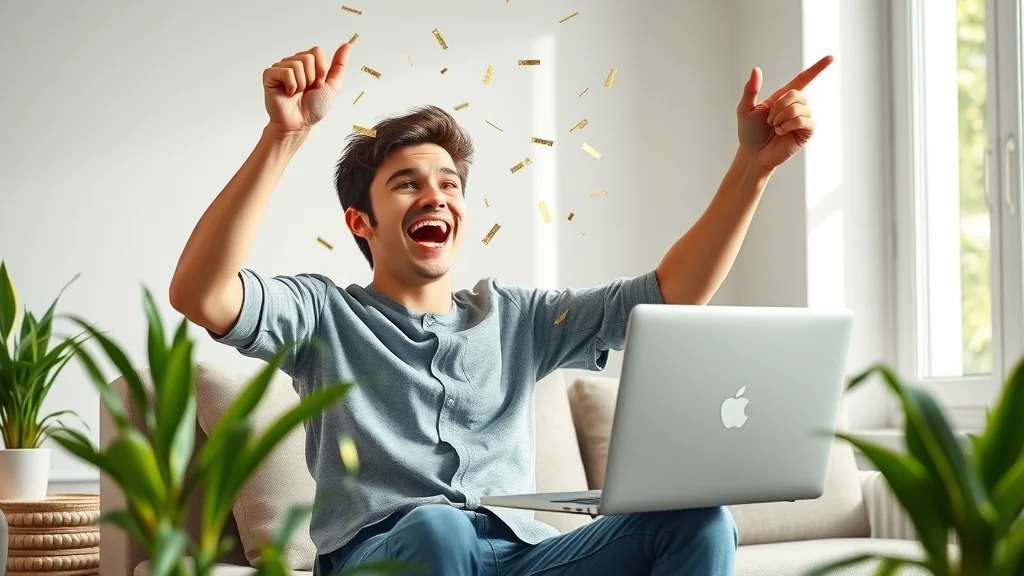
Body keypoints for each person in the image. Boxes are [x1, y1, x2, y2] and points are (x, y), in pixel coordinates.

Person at [169, 40, 833, 576]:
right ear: (360, 222)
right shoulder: (322, 315)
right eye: (406, 184)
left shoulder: (515, 316)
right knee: (437, 528)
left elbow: (671, 295)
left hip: (525, 555)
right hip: (389, 557)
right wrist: (282, 136)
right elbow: (201, 294)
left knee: (698, 520)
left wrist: (753, 167)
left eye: (449, 184)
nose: (435, 195)